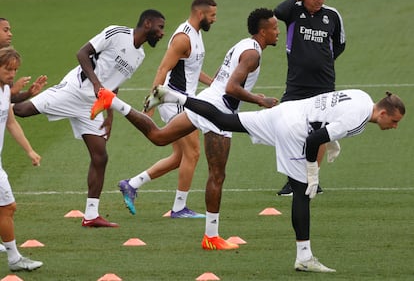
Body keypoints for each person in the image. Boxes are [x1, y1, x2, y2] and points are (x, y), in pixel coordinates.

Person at [96, 85, 404, 272]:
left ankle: (174, 96)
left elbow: (327, 116)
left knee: (223, 119)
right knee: (302, 193)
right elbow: (314, 140)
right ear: (387, 112)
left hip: (288, 112)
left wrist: (331, 142)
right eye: (396, 121)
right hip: (295, 129)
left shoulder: (363, 99)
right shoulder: (360, 117)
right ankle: (304, 257)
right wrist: (313, 173)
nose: (395, 127)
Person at [92, 8, 280, 248]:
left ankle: (112, 100)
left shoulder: (244, 45)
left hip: (205, 100)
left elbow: (228, 82)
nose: (278, 32)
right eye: (274, 28)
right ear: (262, 32)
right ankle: (211, 237)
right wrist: (259, 100)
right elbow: (232, 88)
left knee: (159, 137)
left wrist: (251, 95)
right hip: (218, 112)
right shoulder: (253, 55)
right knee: (217, 175)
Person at [13, 10, 166, 228]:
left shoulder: (140, 55)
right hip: (74, 90)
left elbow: (115, 83)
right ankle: (4, 100)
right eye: (160, 27)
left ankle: (91, 215)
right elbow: (82, 53)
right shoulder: (116, 33)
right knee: (21, 111)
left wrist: (110, 115)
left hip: (93, 106)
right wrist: (95, 84)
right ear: (147, 23)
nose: (162, 33)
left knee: (100, 156)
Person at [117, 0, 217, 218]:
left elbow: (192, 68)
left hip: (184, 101)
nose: (215, 19)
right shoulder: (183, 37)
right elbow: (162, 69)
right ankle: (179, 208)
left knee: (180, 157)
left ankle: (132, 184)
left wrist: (213, 83)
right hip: (176, 103)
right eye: (212, 15)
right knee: (193, 153)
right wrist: (151, 101)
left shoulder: (196, 35)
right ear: (200, 15)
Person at [273, 0, 346, 196]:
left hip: (323, 83)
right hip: (296, 83)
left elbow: (340, 44)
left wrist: (322, 61)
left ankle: (311, 179)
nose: (321, 0)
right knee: (288, 129)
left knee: (318, 131)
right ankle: (292, 179)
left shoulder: (332, 16)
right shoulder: (293, 12)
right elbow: (277, 12)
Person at [0, 47, 43, 271]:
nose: (12, 74)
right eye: (8, 69)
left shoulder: (6, 90)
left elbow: (10, 122)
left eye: (15, 70)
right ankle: (14, 259)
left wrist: (29, 150)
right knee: (8, 207)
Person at [0, 18, 47, 103]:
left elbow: (8, 99)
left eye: (14, 70)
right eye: (5, 30)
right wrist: (12, 91)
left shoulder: (5, 59)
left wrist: (28, 93)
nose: (10, 34)